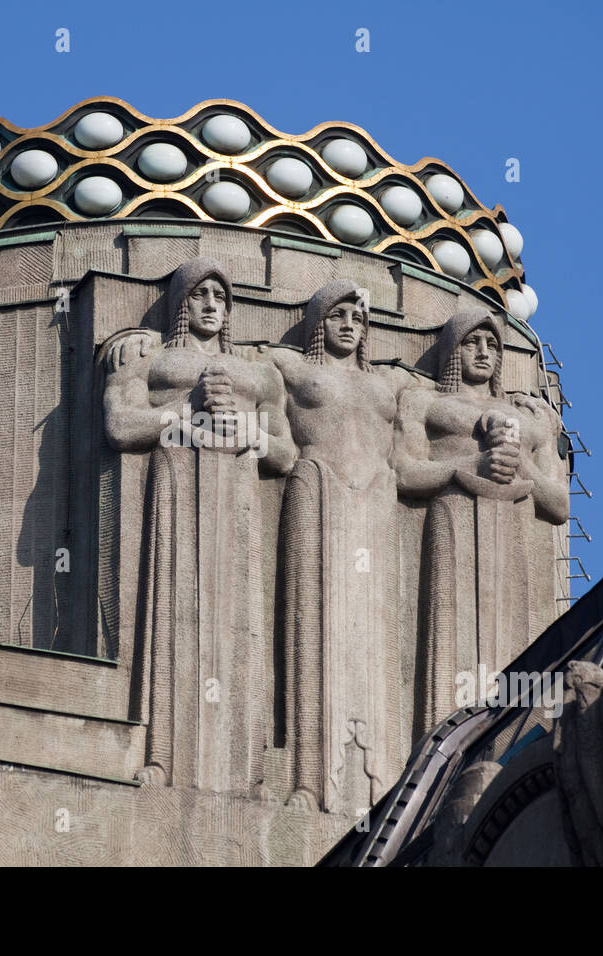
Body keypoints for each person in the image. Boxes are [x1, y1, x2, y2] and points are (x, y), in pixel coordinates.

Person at [102, 257, 293, 794]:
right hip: (177, 490)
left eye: (220, 296)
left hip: (237, 502)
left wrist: (243, 426)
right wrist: (184, 416)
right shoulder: (152, 362)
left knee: (243, 626)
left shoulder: (257, 375)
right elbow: (119, 424)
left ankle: (248, 769)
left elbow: (284, 452)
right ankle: (162, 755)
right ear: (180, 305)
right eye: (198, 296)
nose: (211, 305)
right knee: (172, 614)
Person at [271, 279, 411, 812]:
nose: (350, 324)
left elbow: (457, 402)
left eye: (358, 315)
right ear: (317, 324)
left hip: (374, 505)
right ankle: (310, 778)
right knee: (313, 628)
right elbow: (233, 354)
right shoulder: (294, 369)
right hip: (317, 495)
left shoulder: (390, 385)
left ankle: (382, 783)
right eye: (337, 315)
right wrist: (135, 340)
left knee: (375, 634)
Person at [394, 307, 568, 733]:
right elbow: (404, 470)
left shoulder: (530, 420)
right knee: (450, 627)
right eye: (472, 342)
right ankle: (439, 735)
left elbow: (559, 504)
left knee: (515, 636)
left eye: (492, 344)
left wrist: (519, 465)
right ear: (453, 350)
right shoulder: (426, 402)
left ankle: (510, 734)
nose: (483, 351)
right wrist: (469, 464)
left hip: (512, 529)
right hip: (453, 518)